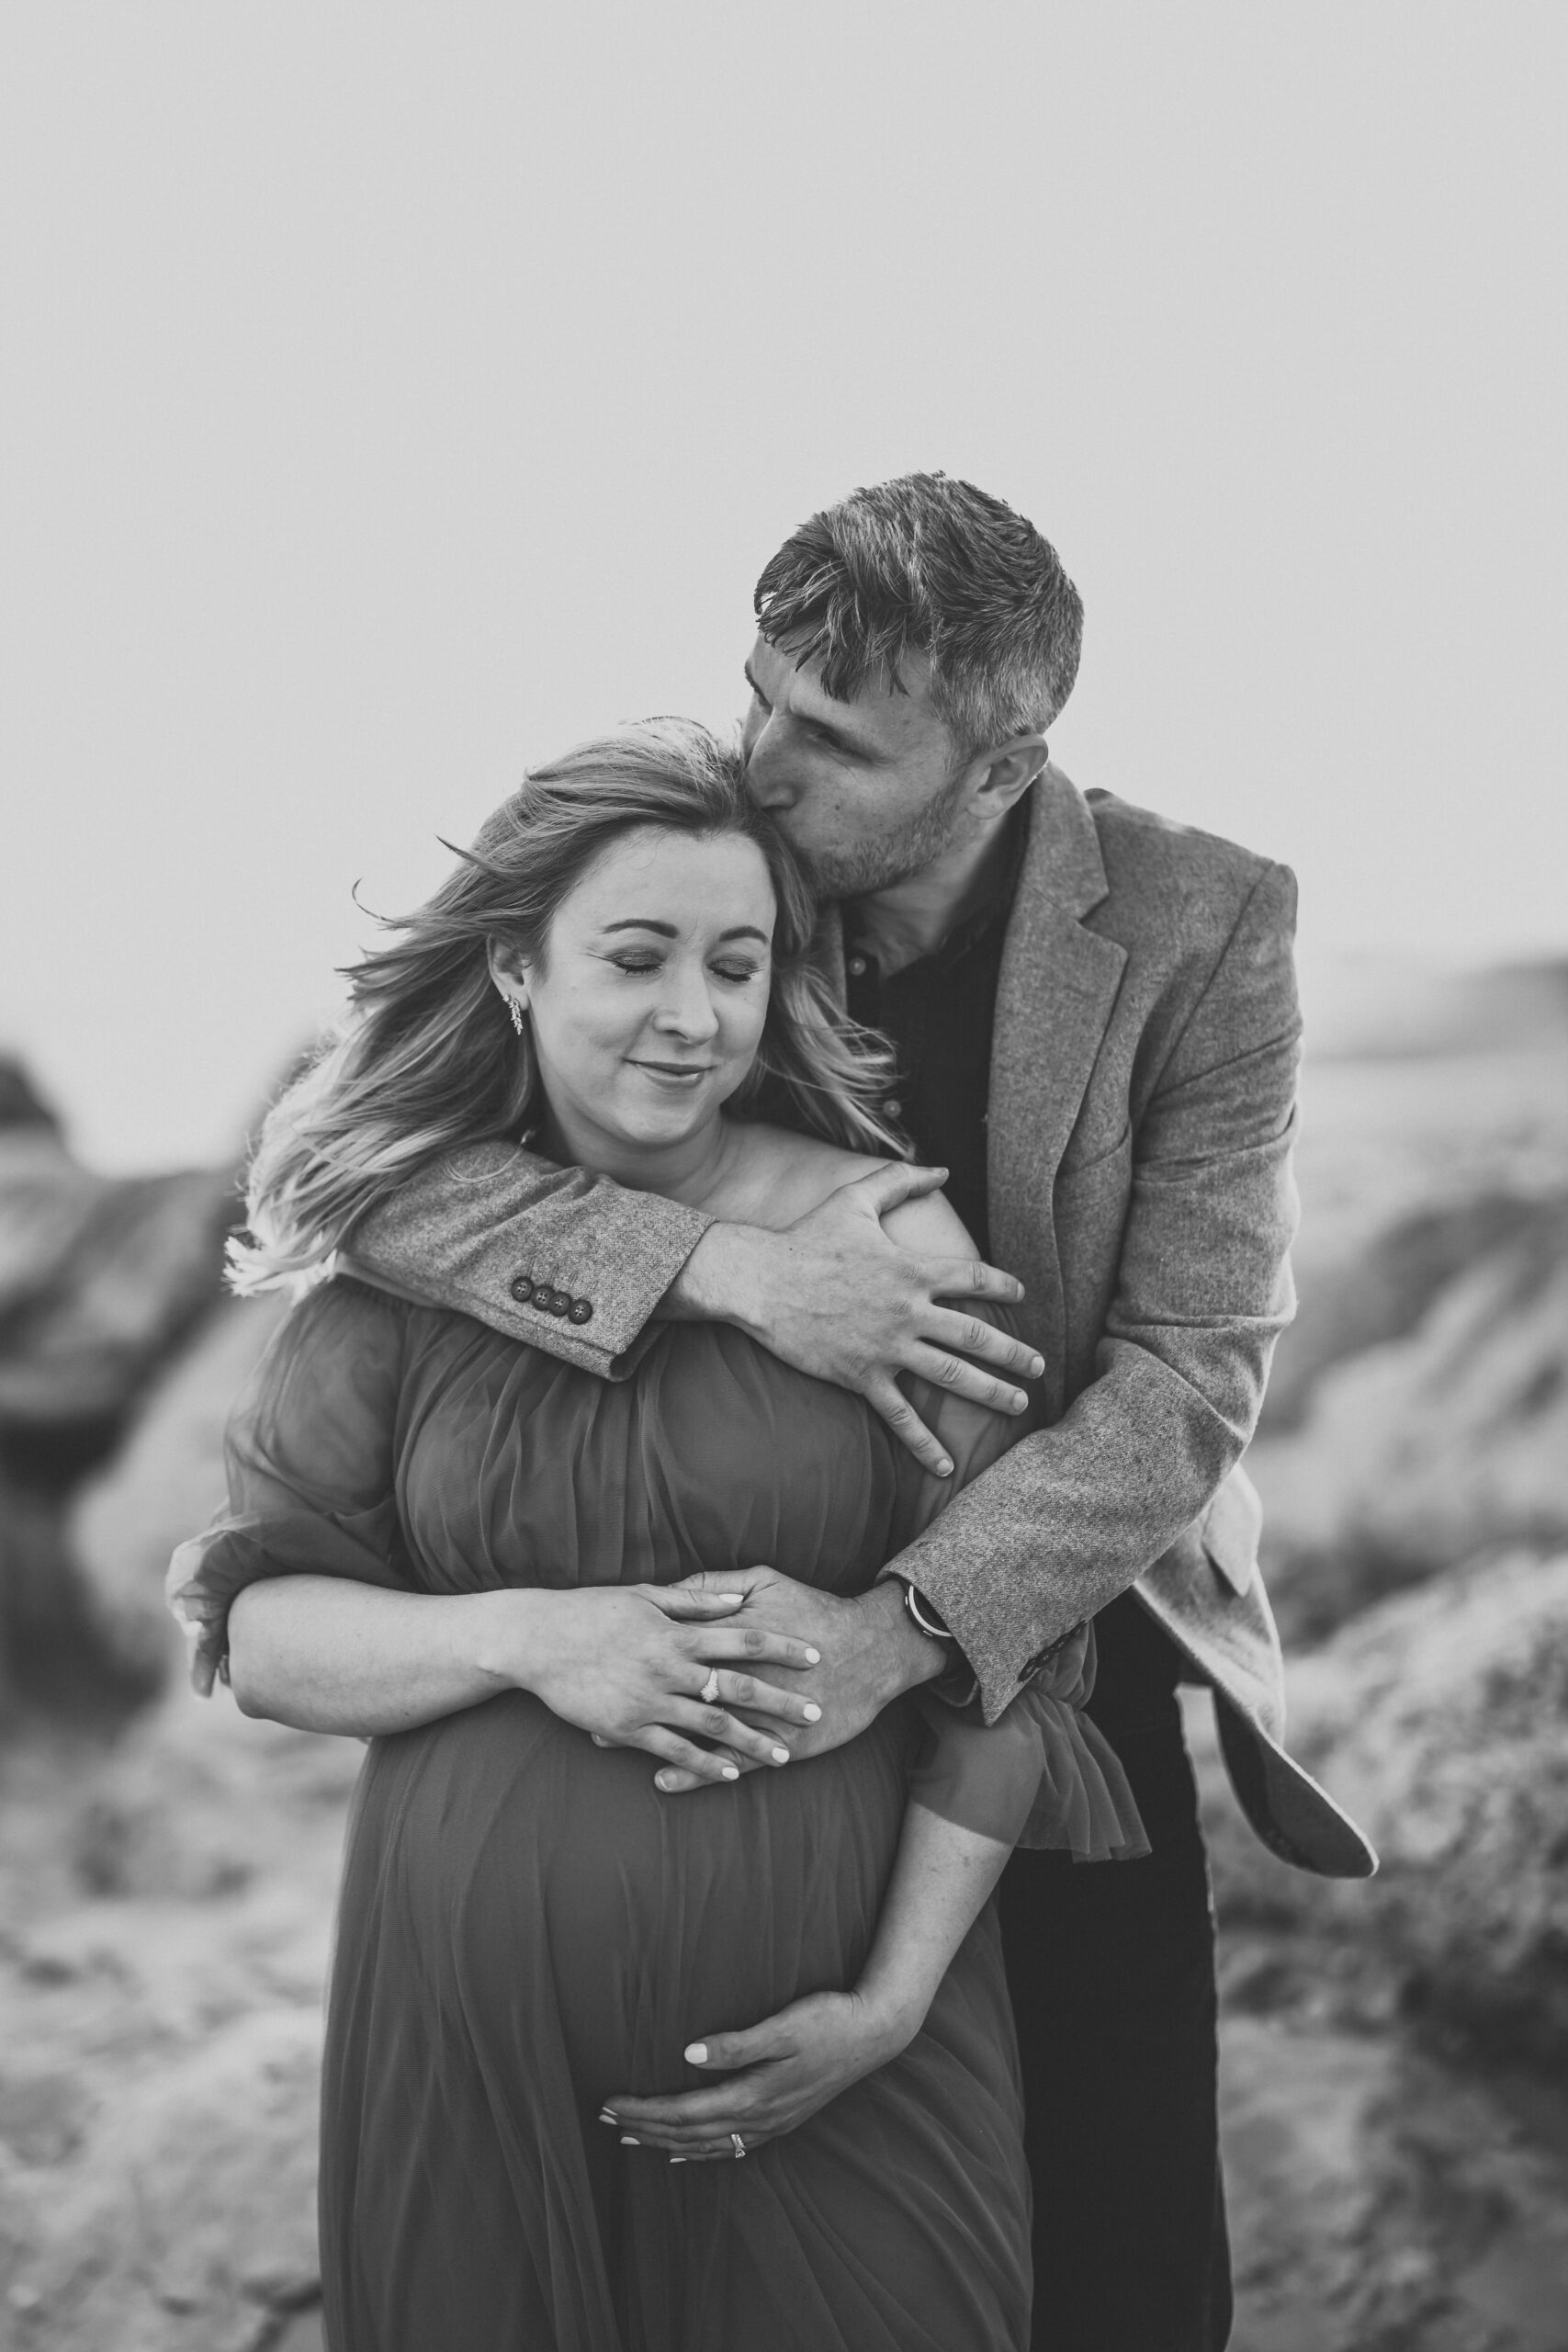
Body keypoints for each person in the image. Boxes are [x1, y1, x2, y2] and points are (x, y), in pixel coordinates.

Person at [344, 473, 1376, 2352]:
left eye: (829, 736)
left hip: (1050, 1628)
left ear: (998, 763)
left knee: (1122, 2259)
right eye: (756, 692)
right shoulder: (691, 856)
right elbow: (370, 1173)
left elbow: (1182, 1381)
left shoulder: (1206, 920)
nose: (761, 759)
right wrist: (734, 1275)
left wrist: (899, 1633)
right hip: (706, 1631)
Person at [168, 721, 1146, 2352]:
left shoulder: (893, 1239)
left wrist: (891, 2004)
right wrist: (532, 1636)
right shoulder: (411, 1262)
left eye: (739, 963)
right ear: (515, 969)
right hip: (467, 2059)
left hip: (843, 2061)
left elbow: (1016, 1650)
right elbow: (264, 1634)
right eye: (637, 957)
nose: (694, 1017)